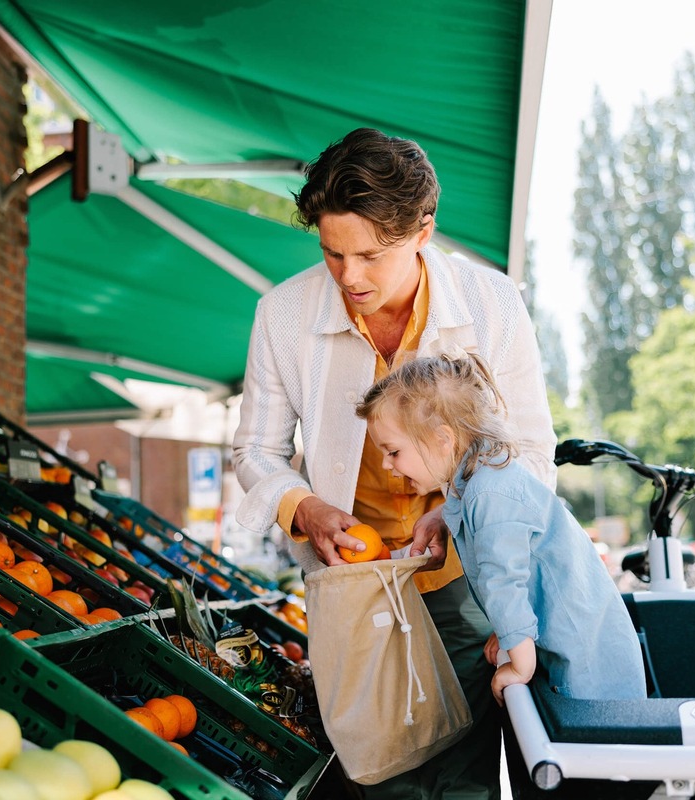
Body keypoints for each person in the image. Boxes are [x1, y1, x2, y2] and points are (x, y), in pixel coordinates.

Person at [233, 127, 557, 798]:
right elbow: (257, 450)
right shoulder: (282, 315)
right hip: (354, 587)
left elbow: (530, 451)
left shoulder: (492, 304)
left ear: (422, 232)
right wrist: (306, 510)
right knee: (376, 776)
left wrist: (455, 511)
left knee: (465, 777)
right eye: (331, 253)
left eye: (370, 256)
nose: (349, 276)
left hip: (466, 584)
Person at [355, 353, 647, 704]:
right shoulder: (474, 482)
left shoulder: (490, 492)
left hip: (588, 665)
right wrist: (508, 632)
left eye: (393, 451)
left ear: (442, 438)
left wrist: (519, 663)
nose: (388, 465)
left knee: (596, 755)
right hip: (567, 648)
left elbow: (503, 580)